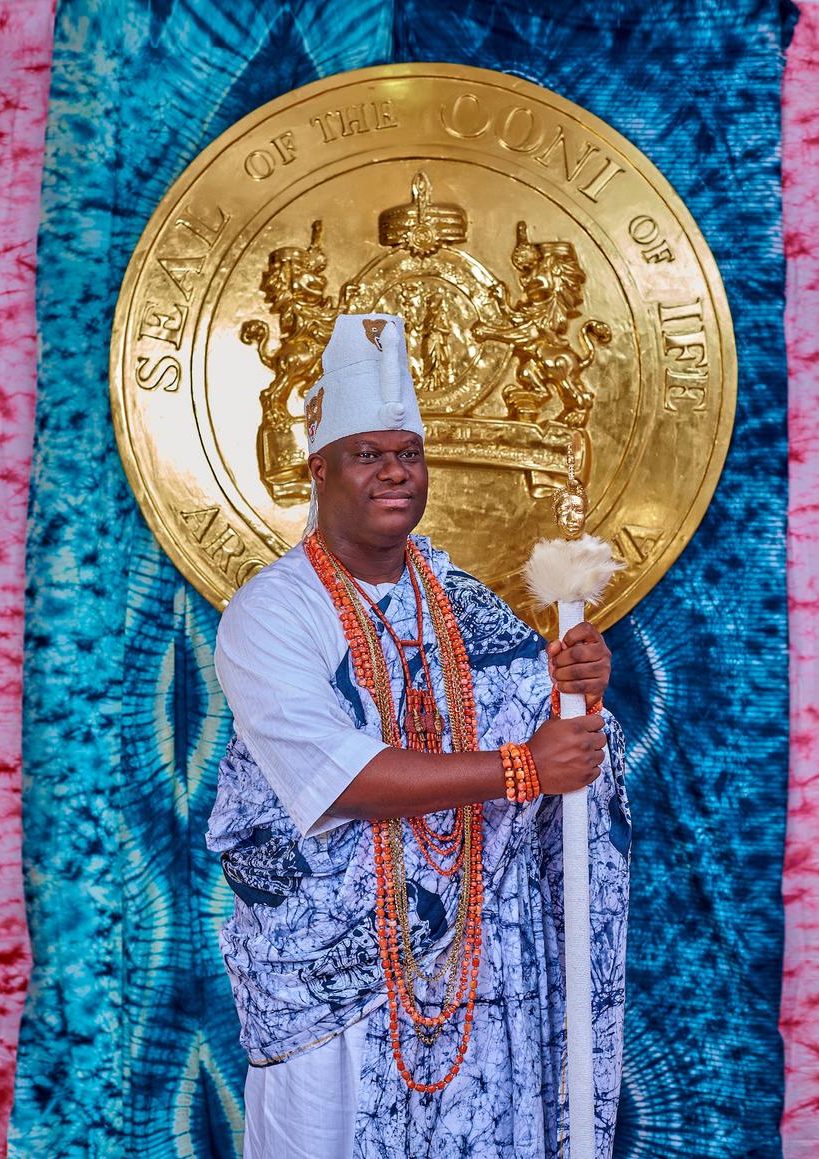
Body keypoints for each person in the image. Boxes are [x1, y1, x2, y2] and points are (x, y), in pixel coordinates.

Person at [206, 313, 630, 1159]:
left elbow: (558, 740)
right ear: (318, 469)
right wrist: (522, 765)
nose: (395, 471)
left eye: (409, 452)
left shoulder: (462, 598)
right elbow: (337, 778)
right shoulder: (272, 612)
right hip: (328, 996)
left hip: (477, 983)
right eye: (369, 453)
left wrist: (577, 696)